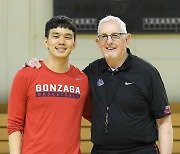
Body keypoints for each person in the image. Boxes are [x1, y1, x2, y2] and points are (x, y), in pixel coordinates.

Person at [25, 15, 173, 154]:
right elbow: (61, 79)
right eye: (104, 37)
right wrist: (39, 66)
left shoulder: (147, 73)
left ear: (127, 39)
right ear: (98, 42)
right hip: (101, 150)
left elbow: (164, 122)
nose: (109, 41)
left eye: (115, 36)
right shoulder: (90, 73)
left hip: (141, 150)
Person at [8, 15, 91, 154]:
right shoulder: (25, 75)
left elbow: (97, 115)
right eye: (56, 36)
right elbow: (15, 125)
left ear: (74, 44)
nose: (61, 41)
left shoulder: (82, 80)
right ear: (46, 41)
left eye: (68, 37)